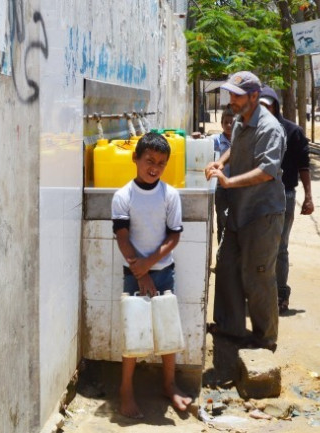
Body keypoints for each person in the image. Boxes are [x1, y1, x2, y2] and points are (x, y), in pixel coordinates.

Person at [111, 132, 193, 418]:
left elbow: (173, 238)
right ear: (135, 158)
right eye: (149, 161)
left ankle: (169, 385)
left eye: (160, 163)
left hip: (163, 273)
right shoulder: (123, 196)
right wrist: (140, 271)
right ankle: (126, 389)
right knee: (133, 331)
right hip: (133, 273)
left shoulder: (170, 195)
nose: (154, 167)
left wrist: (150, 265)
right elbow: (122, 238)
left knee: (167, 328)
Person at [204, 71, 286, 351]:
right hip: (240, 210)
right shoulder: (241, 120)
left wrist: (229, 181)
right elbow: (234, 147)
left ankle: (265, 337)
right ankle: (229, 326)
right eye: (230, 95)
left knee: (258, 274)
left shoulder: (269, 128)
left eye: (236, 95)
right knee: (226, 266)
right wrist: (220, 163)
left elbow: (267, 171)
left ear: (254, 96)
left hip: (262, 214)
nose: (231, 101)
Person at [259, 86, 315, 314]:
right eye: (260, 106)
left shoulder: (293, 131)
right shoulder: (254, 131)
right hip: (258, 195)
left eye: (268, 105)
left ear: (275, 106)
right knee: (260, 246)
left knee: (280, 247)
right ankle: (260, 293)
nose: (264, 110)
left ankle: (281, 294)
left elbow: (304, 166)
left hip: (284, 195)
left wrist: (308, 197)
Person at [211, 106, 235, 245]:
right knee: (222, 221)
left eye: (231, 122)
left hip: (237, 187)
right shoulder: (216, 140)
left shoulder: (241, 142)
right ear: (221, 123)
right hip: (221, 188)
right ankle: (221, 258)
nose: (228, 125)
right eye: (226, 122)